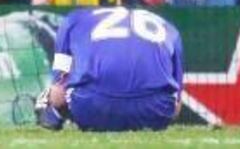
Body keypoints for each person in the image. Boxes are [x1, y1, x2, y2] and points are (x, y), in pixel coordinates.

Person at [35, 7, 183, 132]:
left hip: (91, 110)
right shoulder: (170, 28)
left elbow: (58, 88)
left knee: (56, 92)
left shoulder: (73, 19)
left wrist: (54, 104)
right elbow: (176, 107)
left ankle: (50, 113)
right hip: (155, 114)